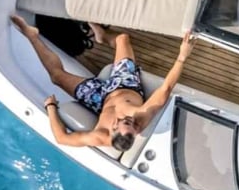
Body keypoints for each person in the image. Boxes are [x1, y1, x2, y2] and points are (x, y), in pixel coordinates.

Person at [10, 15, 194, 153]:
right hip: (125, 84)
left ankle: (32, 35)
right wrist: (182, 56)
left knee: (56, 77)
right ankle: (103, 36)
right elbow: (166, 88)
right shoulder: (140, 116)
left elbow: (62, 138)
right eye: (131, 123)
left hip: (100, 99)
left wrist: (51, 108)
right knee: (122, 39)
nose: (128, 119)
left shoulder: (100, 136)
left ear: (113, 129)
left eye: (125, 122)